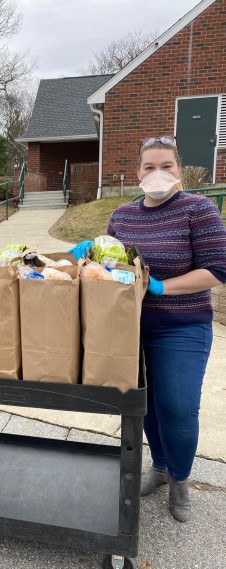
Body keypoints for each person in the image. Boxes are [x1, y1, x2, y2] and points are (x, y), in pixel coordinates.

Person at [69, 136, 226, 522]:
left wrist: (162, 287)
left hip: (182, 326)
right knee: (144, 406)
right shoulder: (122, 216)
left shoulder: (198, 209)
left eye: (166, 166)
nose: (157, 174)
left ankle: (180, 480)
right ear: (137, 172)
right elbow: (113, 267)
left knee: (178, 407)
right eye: (149, 167)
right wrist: (87, 255)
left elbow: (218, 270)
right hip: (129, 326)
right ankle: (158, 467)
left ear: (180, 170)